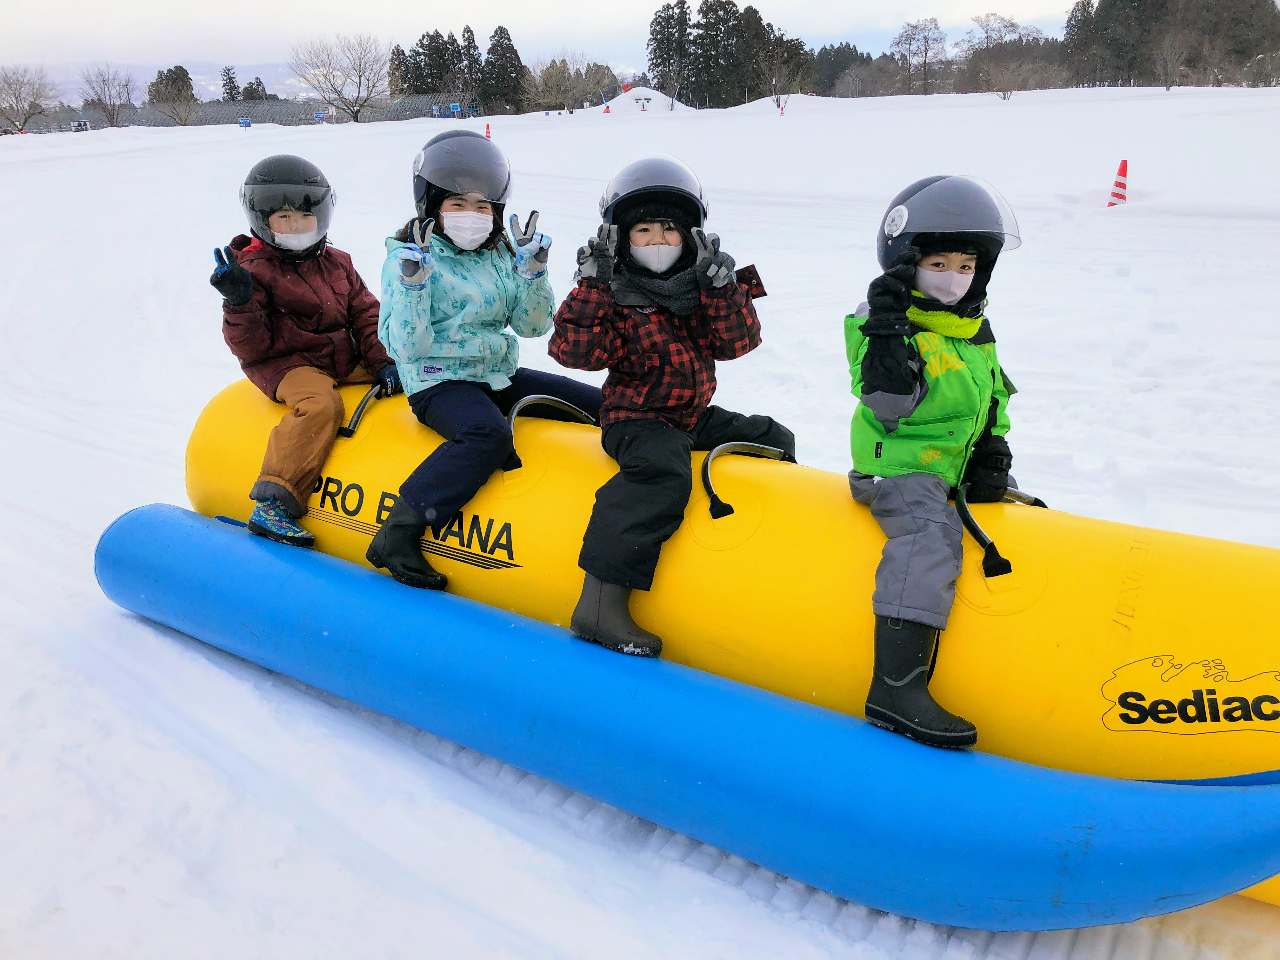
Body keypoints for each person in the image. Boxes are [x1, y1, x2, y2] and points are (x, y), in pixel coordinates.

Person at [549, 156, 795, 658]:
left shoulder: (698, 289)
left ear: (691, 237)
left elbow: (738, 343)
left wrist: (723, 290)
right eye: (644, 231)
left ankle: (771, 555)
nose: (659, 242)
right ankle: (600, 603)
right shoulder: (613, 294)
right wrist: (591, 287)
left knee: (774, 437)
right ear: (621, 239)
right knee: (662, 473)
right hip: (635, 419)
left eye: (669, 230)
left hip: (690, 415)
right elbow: (574, 352)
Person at [367, 130, 602, 590]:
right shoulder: (409, 258)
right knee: (486, 434)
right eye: (458, 204)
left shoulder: (497, 255)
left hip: (494, 374)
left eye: (482, 206)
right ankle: (399, 532)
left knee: (591, 403)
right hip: (437, 380)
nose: (471, 216)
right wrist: (415, 286)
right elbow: (406, 349)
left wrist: (532, 272)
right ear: (432, 205)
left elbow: (532, 326)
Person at [845, 175, 1023, 749]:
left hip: (953, 467)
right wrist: (888, 333)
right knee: (928, 537)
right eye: (939, 263)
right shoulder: (880, 325)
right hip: (899, 467)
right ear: (906, 264)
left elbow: (993, 395)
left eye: (966, 266)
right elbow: (889, 404)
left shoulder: (973, 328)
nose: (954, 278)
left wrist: (993, 451)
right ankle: (895, 687)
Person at [209, 154, 400, 547]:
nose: (296, 226)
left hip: (340, 357)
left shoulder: (337, 262)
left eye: (304, 217)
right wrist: (239, 302)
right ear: (263, 220)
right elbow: (251, 345)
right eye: (284, 218)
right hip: (286, 362)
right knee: (321, 405)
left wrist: (385, 362)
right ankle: (273, 503)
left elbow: (366, 313)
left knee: (413, 372)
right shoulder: (254, 271)